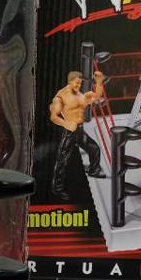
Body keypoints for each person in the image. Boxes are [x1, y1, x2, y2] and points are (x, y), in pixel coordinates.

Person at [48, 69, 107, 200]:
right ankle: (57, 189)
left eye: (80, 83)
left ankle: (94, 170)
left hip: (79, 130)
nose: (78, 86)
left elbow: (96, 97)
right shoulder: (61, 96)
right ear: (70, 81)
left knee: (94, 148)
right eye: (76, 83)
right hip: (69, 131)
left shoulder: (79, 94)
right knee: (62, 160)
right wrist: (66, 123)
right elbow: (53, 116)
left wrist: (99, 83)